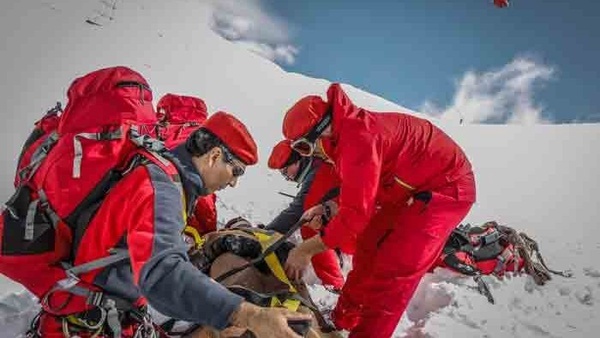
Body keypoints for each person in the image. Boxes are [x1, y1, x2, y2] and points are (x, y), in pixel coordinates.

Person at [37, 111, 308, 337]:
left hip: (97, 312)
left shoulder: (163, 176)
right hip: (91, 323)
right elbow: (162, 275)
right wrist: (250, 315)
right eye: (236, 170)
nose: (234, 181)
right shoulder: (161, 189)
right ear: (214, 156)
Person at [281, 83, 476, 338]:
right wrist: (328, 206)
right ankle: (342, 319)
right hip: (406, 186)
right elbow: (360, 186)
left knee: (395, 270)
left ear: (322, 130)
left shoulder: (358, 137)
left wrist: (306, 249)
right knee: (368, 248)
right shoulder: (344, 136)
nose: (309, 154)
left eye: (305, 148)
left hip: (446, 187)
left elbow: (355, 217)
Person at [266, 139, 344, 291]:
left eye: (285, 171)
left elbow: (296, 212)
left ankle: (334, 284)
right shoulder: (318, 166)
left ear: (297, 161)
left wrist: (266, 234)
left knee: (310, 227)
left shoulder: (318, 173)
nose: (287, 177)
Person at [156, 93, 217, 236]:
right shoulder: (200, 142)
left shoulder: (179, 139)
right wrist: (208, 231)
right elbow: (205, 197)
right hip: (180, 227)